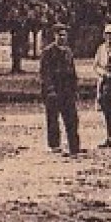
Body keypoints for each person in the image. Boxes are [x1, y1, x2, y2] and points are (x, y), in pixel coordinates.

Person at [39, 23, 82, 155]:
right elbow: (45, 73)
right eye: (59, 35)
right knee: (52, 119)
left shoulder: (68, 52)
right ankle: (54, 145)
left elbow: (73, 71)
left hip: (67, 90)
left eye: (64, 35)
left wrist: (75, 89)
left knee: (72, 118)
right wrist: (50, 90)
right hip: (54, 90)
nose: (62, 37)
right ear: (55, 36)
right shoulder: (48, 52)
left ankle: (74, 146)